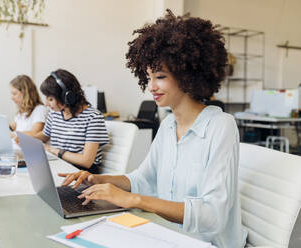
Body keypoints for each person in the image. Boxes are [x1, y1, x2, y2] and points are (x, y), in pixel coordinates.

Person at [59, 10, 246, 248]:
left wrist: (132, 199)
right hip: (166, 234)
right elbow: (144, 178)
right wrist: (97, 179)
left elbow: (212, 216)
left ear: (187, 74)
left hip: (206, 242)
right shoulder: (168, 125)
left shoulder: (220, 126)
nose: (152, 87)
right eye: (148, 77)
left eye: (160, 76)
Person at [34, 69, 109, 174]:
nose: (46, 104)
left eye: (50, 99)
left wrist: (53, 150)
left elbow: (86, 161)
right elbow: (44, 135)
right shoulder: (55, 113)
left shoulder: (93, 117)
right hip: (58, 166)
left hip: (81, 174)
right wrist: (25, 139)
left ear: (67, 97)